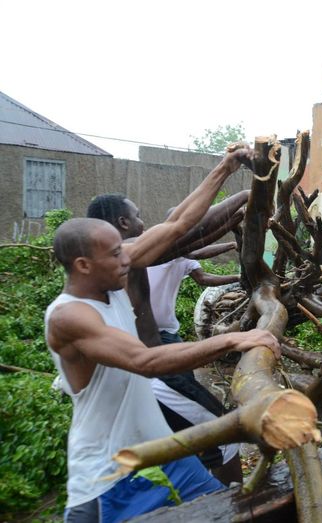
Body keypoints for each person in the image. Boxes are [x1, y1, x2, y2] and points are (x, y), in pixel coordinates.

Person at [47, 147, 280, 522]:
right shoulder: (70, 317)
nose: (129, 258)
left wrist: (226, 167)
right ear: (83, 265)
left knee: (228, 510)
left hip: (164, 451)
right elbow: (145, 361)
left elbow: (177, 225)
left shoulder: (114, 270)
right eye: (115, 254)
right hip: (110, 474)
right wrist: (233, 338)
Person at [87, 192, 248, 486]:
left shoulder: (114, 256)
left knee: (186, 440)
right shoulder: (122, 254)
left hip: (146, 366)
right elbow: (182, 227)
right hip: (149, 375)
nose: (143, 221)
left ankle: (204, 490)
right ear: (123, 222)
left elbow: (183, 231)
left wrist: (234, 218)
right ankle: (237, 504)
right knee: (227, 434)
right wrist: (247, 193)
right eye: (137, 215)